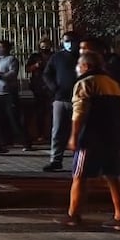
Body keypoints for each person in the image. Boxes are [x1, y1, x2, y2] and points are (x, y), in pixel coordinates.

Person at [58, 50, 120, 230]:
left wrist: (74, 137)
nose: (77, 68)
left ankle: (73, 215)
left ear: (86, 66)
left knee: (79, 176)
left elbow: (79, 112)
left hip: (90, 138)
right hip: (112, 138)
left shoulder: (85, 83)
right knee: (113, 176)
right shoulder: (114, 84)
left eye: (79, 65)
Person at [42, 31, 80, 171]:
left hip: (79, 100)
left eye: (71, 41)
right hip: (60, 99)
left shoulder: (82, 57)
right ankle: (56, 159)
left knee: (79, 131)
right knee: (57, 130)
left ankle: (80, 160)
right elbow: (47, 74)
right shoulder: (57, 57)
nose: (68, 43)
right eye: (66, 41)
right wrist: (54, 88)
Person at [0, 40, 30, 152]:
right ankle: (4, 142)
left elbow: (12, 74)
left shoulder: (11, 60)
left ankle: (25, 142)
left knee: (14, 118)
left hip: (9, 94)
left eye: (1, 47)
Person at [24, 37, 54, 144]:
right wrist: (36, 65)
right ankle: (40, 134)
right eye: (43, 45)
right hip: (38, 86)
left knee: (51, 111)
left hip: (51, 86)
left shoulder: (54, 56)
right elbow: (27, 69)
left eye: (47, 45)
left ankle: (51, 133)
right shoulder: (35, 56)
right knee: (40, 111)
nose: (45, 47)